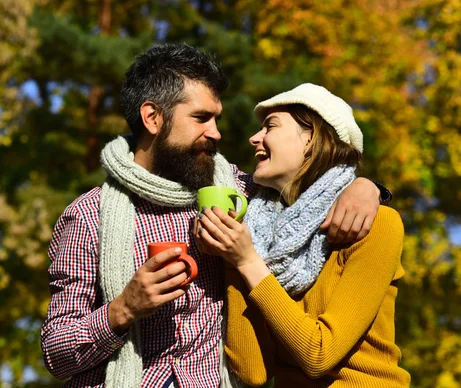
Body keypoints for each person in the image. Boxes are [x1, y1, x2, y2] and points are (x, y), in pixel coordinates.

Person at [40, 44, 386, 388]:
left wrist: (368, 188)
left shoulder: (242, 195)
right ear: (153, 118)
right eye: (201, 118)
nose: (217, 132)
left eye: (216, 118)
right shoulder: (89, 217)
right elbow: (56, 353)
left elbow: (309, 187)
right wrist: (123, 309)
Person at [194, 83, 411, 387]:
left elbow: (319, 355)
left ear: (311, 137)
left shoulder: (375, 225)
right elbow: (252, 372)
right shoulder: (258, 234)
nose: (254, 138)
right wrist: (231, 259)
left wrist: (246, 261)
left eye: (270, 126)